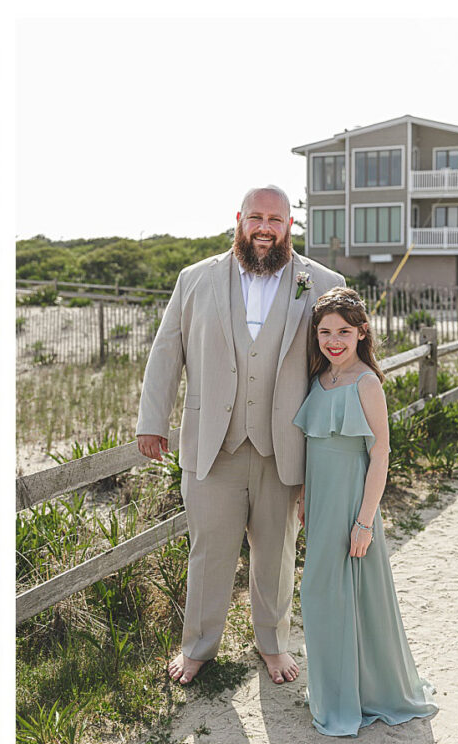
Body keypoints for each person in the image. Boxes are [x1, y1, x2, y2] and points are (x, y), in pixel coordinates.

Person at [137, 185, 344, 685]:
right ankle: (198, 647)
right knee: (209, 551)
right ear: (239, 220)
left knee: (276, 552)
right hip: (213, 443)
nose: (265, 227)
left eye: (276, 218)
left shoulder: (324, 282)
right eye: (256, 217)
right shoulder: (194, 279)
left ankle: (273, 644)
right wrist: (152, 420)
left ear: (291, 224)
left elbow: (343, 360)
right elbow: (167, 353)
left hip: (285, 445)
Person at [292, 287, 437, 736]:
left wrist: (363, 522)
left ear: (361, 333)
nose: (334, 340)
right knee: (321, 599)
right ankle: (335, 692)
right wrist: (301, 494)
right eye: (325, 332)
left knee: (348, 600)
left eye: (343, 332)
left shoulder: (367, 382)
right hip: (319, 502)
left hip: (352, 504)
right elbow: (311, 446)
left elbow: (381, 453)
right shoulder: (319, 380)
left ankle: (354, 699)